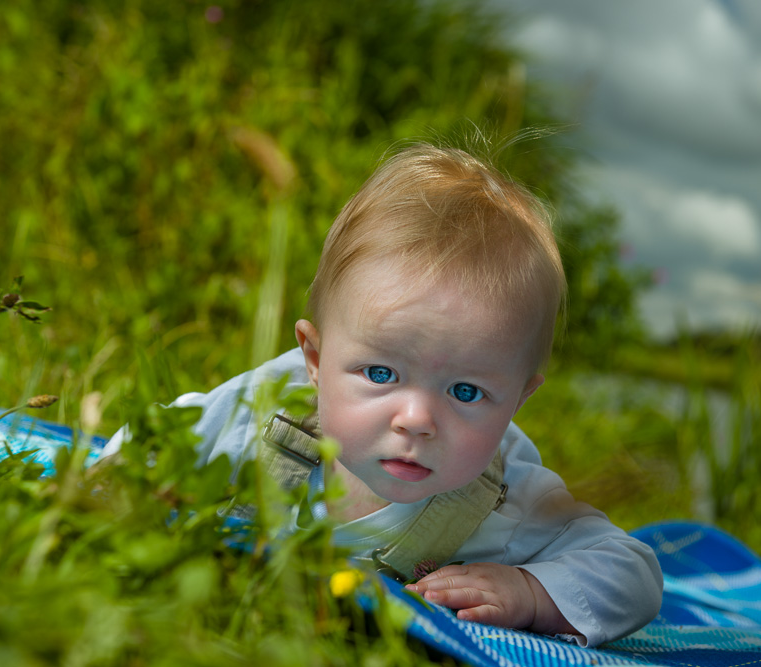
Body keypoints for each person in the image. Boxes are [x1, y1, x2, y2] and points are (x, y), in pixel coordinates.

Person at [102, 142, 663, 647]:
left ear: (517, 400)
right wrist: (117, 493)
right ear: (316, 360)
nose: (417, 418)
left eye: (466, 391)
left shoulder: (509, 496)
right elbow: (157, 438)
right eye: (380, 374)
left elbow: (632, 572)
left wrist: (530, 592)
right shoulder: (270, 407)